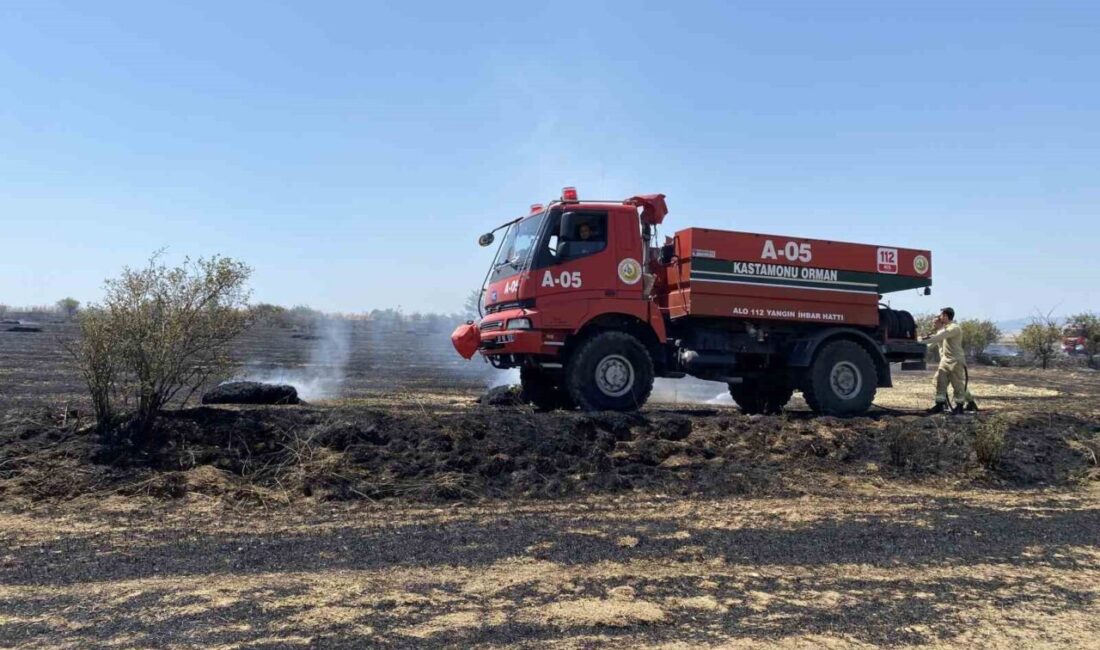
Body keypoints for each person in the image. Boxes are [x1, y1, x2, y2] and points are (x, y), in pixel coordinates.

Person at [923, 307, 978, 414]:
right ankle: (940, 405)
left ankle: (960, 406)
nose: (938, 318)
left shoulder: (953, 328)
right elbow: (931, 343)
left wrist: (919, 342)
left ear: (946, 316)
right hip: (945, 361)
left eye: (940, 316)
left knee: (957, 385)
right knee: (940, 383)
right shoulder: (943, 330)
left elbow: (937, 338)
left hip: (955, 361)